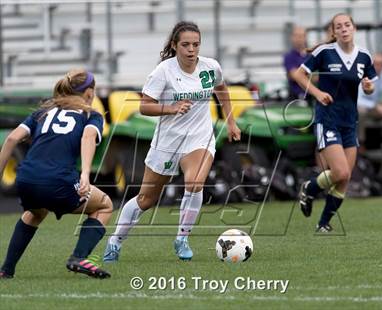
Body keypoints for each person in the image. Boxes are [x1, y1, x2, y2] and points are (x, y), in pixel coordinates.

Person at [103, 21, 241, 262]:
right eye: (185, 44)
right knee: (146, 199)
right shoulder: (163, 71)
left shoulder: (211, 67)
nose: (191, 49)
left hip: (199, 138)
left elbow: (222, 90)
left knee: (196, 183)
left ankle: (182, 239)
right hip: (167, 143)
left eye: (196, 44)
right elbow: (144, 107)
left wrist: (231, 122)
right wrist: (171, 108)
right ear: (175, 46)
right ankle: (115, 241)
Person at [0, 69, 113, 279]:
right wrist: (85, 175)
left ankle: (6, 269)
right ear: (89, 93)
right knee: (105, 204)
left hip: (25, 179)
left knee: (36, 212)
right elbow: (88, 137)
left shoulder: (42, 112)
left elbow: (11, 139)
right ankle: (79, 257)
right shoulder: (91, 115)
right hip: (58, 181)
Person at [293, 13, 377, 232]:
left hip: (350, 122)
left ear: (354, 28)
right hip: (327, 119)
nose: (343, 29)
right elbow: (299, 75)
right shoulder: (325, 52)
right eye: (338, 26)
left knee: (344, 179)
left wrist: (369, 88)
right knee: (339, 172)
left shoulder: (364, 56)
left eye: (347, 25)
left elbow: (370, 86)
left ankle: (323, 224)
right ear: (334, 32)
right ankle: (309, 188)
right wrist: (318, 93)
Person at [284, 26, 308, 101]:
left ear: (305, 37)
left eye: (301, 36)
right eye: (296, 36)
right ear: (292, 38)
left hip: (312, 97)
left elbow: (318, 76)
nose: (299, 39)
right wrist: (310, 74)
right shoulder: (288, 57)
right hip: (294, 97)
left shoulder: (312, 55)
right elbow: (295, 76)